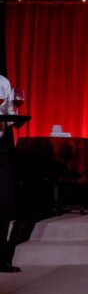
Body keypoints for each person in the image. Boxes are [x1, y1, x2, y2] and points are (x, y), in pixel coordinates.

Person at [0, 74, 21, 272]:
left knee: (5, 203)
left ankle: (1, 259)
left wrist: (15, 120)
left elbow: (8, 112)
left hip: (3, 146)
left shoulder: (3, 82)